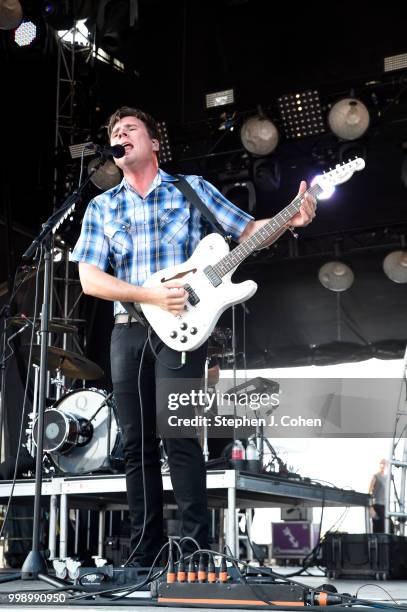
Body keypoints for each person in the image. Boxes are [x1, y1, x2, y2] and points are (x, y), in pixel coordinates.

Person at [70, 106, 316, 566]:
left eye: (130, 129)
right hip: (129, 331)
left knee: (179, 437)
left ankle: (194, 550)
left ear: (154, 142)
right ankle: (145, 555)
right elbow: (90, 279)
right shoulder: (102, 206)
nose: (120, 135)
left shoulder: (191, 190)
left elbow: (248, 231)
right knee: (135, 443)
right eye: (114, 132)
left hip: (184, 330)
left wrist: (289, 219)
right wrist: (149, 295)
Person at [368, 458, 390, 533]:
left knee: (389, 528)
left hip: (386, 507)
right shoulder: (376, 476)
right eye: (381, 464)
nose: (383, 465)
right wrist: (370, 508)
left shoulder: (388, 477)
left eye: (384, 464)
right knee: (378, 529)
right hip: (377, 506)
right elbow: (369, 492)